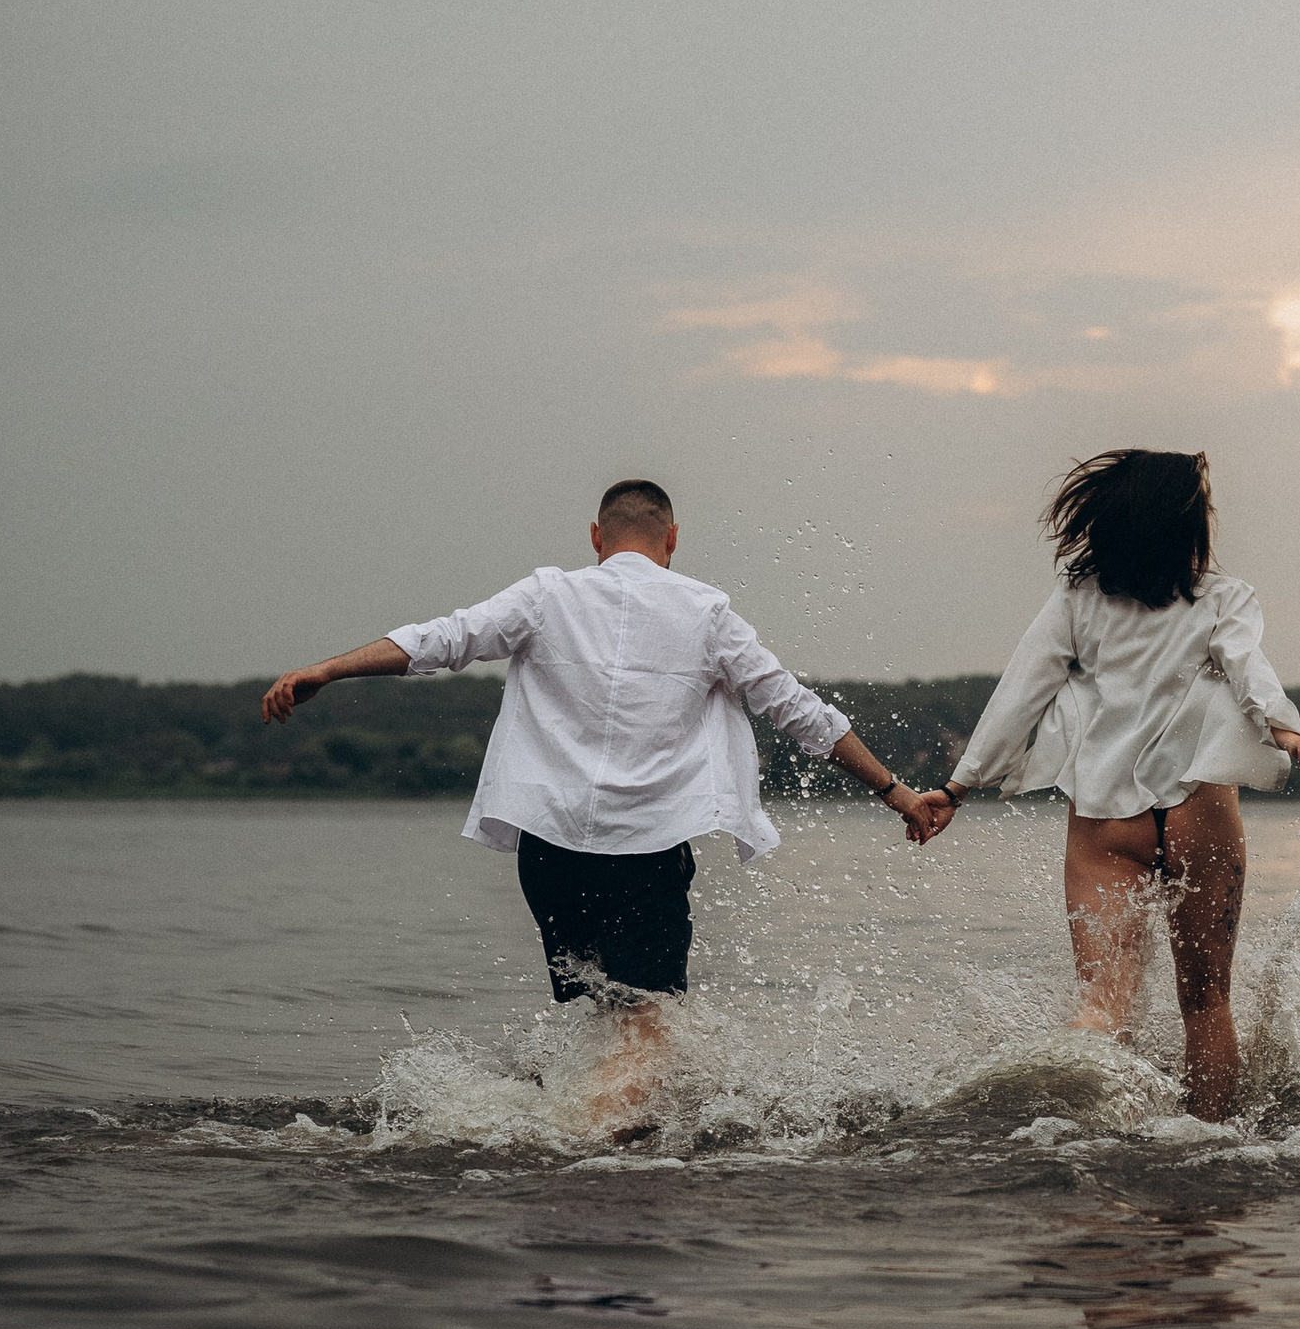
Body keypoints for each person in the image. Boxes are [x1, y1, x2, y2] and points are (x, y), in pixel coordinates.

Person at [262, 479, 934, 1127]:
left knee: (610, 1013)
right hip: (643, 851)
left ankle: (581, 1133)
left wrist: (327, 668)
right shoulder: (707, 613)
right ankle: (582, 1143)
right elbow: (799, 711)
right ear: (673, 538)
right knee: (648, 1024)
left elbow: (443, 639)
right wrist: (895, 791)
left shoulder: (546, 595)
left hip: (549, 851)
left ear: (596, 537)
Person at [908, 449, 1300, 1120]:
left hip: (1106, 820)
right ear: (1186, 525)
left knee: (1102, 1005)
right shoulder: (1224, 597)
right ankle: (1210, 1142)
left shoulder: (1078, 599)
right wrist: (1287, 733)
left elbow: (1020, 693)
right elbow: (1253, 676)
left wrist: (959, 787)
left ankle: (1074, 1119)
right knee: (1208, 1003)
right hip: (1199, 811)